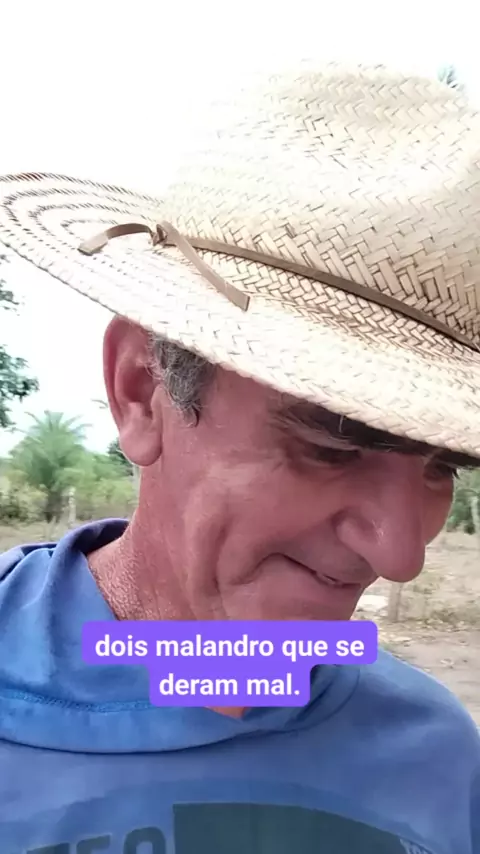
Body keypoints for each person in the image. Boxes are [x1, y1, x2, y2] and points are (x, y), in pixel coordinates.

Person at [0, 62, 479, 854]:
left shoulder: (435, 758)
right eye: (333, 444)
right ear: (141, 391)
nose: (400, 557)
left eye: (442, 467)